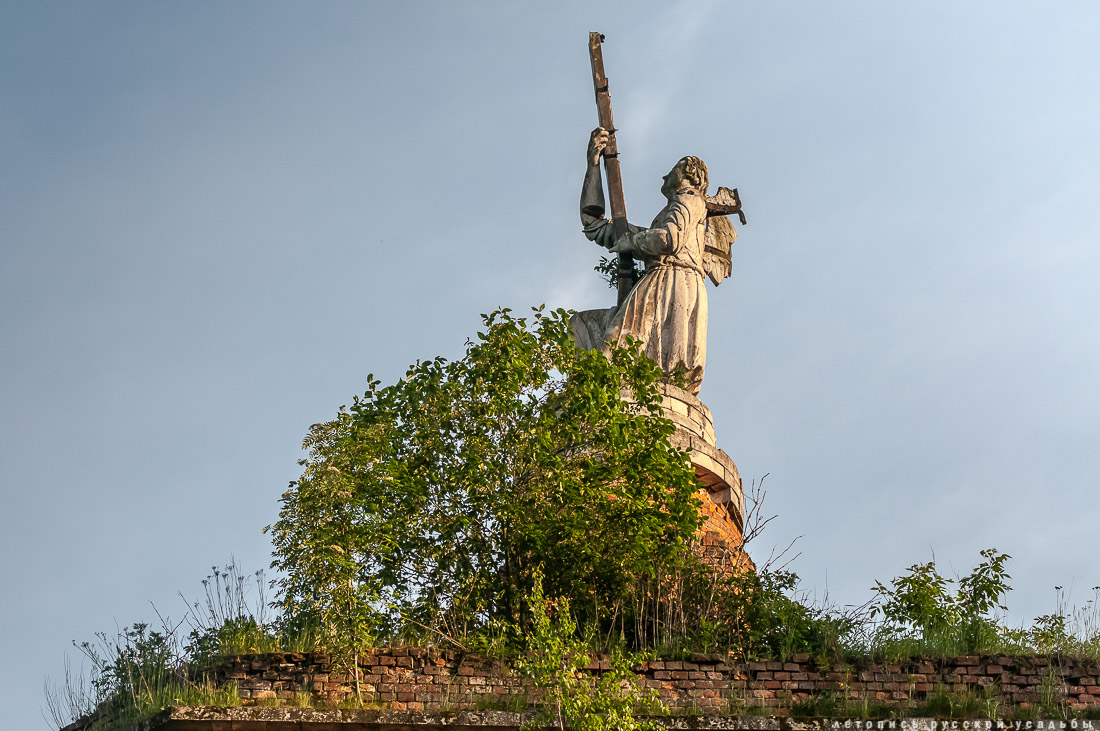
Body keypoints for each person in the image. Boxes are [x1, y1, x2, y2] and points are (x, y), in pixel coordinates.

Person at [572, 127, 716, 394]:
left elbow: (669, 239)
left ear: (687, 173)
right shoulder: (677, 207)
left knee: (612, 357)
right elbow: (594, 226)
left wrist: (632, 242)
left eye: (671, 170)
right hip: (665, 282)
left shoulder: (690, 199)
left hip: (671, 284)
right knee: (584, 331)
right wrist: (593, 165)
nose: (664, 176)